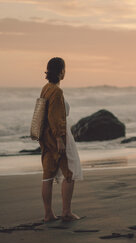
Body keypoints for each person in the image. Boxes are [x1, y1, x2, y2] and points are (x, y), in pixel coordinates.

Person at [39, 57, 83, 222]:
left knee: (48, 175)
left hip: (46, 137)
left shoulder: (46, 88)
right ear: (61, 71)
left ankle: (48, 214)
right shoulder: (57, 92)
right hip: (59, 136)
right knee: (69, 172)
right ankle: (66, 211)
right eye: (65, 69)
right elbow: (55, 116)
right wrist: (59, 138)